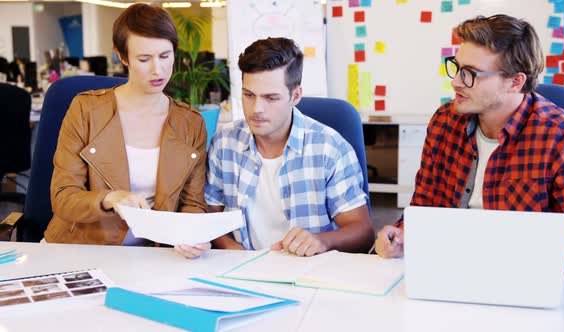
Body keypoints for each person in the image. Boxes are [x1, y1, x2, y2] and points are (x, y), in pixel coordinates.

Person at [374, 14, 564, 277]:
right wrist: (402, 235)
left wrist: (526, 246)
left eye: (471, 74)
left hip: (519, 275)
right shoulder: (445, 120)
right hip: (446, 269)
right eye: (457, 67)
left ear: (515, 81)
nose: (455, 82)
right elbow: (424, 206)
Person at [175, 37, 374, 258]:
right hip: (241, 271)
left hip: (307, 272)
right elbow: (208, 218)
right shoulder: (224, 143)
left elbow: (363, 233)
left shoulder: (330, 148)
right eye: (249, 95)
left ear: (295, 96)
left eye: (271, 98)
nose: (256, 109)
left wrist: (321, 241)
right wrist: (232, 250)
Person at [44, 4, 209, 256]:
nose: (158, 70)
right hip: (81, 249)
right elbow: (63, 197)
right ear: (122, 57)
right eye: (144, 59)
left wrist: (194, 236)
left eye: (165, 56)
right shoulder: (86, 110)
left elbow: (192, 203)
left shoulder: (190, 123)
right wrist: (109, 199)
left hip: (156, 255)